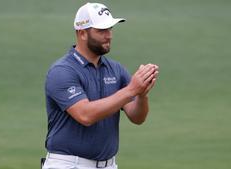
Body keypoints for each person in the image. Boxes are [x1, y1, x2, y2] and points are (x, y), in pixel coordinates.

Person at [42, 2, 159, 169]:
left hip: (109, 165)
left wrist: (142, 94)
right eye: (102, 30)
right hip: (69, 164)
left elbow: (137, 117)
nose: (109, 35)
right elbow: (85, 115)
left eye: (110, 29)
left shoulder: (115, 69)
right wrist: (131, 89)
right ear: (82, 33)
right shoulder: (62, 71)